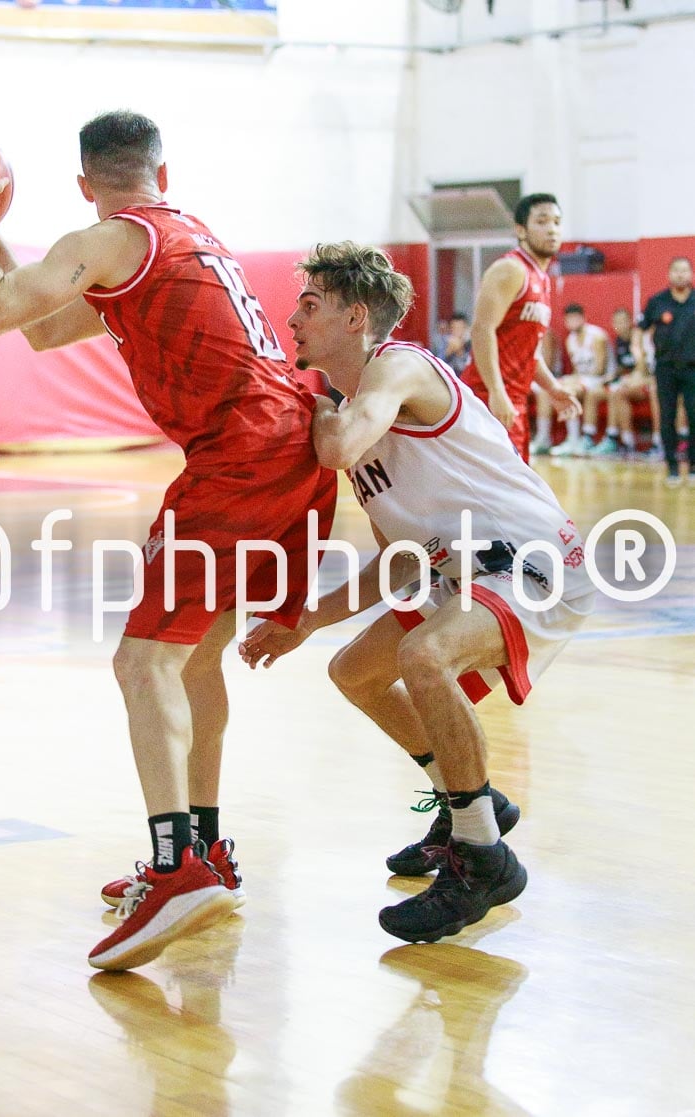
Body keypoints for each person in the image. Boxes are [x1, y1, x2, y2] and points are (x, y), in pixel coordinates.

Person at [0, 112, 337, 970]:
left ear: (84, 185)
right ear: (162, 170)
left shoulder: (109, 239)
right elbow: (38, 325)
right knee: (190, 660)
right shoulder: (186, 234)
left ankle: (176, 866)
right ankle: (208, 851)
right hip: (293, 447)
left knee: (140, 661)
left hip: (239, 451)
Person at [240, 242, 595, 945]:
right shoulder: (355, 409)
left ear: (356, 316)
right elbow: (396, 561)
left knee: (424, 655)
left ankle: (481, 857)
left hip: (533, 557)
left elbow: (336, 446)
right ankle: (472, 800)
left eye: (310, 305)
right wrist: (303, 623)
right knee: (355, 671)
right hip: (463, 565)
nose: (292, 318)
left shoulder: (396, 369)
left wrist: (302, 409)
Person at [462, 193, 580, 462]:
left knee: (511, 492)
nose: (551, 228)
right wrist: (496, 391)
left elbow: (530, 352)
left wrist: (552, 388)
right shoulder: (511, 269)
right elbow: (482, 329)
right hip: (487, 397)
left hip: (515, 399)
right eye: (542, 221)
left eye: (557, 222)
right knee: (498, 493)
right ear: (521, 230)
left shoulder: (543, 279)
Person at [636, 257, 695, 487]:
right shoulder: (657, 302)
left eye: (684, 271)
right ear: (669, 274)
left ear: (690, 274)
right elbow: (639, 332)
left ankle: (692, 466)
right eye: (676, 271)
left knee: (694, 417)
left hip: (693, 369)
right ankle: (671, 466)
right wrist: (640, 358)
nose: (680, 275)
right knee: (667, 418)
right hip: (666, 369)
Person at [533, 304, 610, 457]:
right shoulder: (570, 340)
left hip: (602, 379)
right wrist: (573, 379)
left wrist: (575, 381)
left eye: (575, 318)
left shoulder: (597, 336)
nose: (572, 321)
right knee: (546, 389)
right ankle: (543, 438)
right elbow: (577, 369)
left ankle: (573, 439)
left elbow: (600, 369)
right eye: (569, 319)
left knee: (567, 389)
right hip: (584, 379)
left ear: (583, 318)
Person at [591, 308, 661, 458]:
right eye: (616, 322)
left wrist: (635, 376)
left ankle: (660, 442)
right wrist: (615, 376)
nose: (620, 325)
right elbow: (627, 366)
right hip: (638, 380)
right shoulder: (621, 341)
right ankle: (626, 442)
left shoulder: (643, 338)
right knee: (616, 391)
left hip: (653, 381)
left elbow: (644, 369)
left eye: (623, 321)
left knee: (654, 390)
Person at [432, 312, 472, 377]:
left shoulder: (470, 345)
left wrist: (460, 352)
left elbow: (467, 369)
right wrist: (448, 352)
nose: (456, 332)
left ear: (465, 329)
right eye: (454, 328)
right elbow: (435, 365)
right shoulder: (442, 342)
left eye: (459, 328)